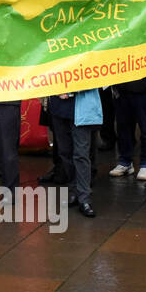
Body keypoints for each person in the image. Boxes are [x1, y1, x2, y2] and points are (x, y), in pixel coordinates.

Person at [47, 89, 101, 217]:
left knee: (81, 154)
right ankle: (74, 190)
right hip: (58, 107)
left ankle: (84, 197)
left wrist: (73, 89)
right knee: (65, 152)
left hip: (82, 106)